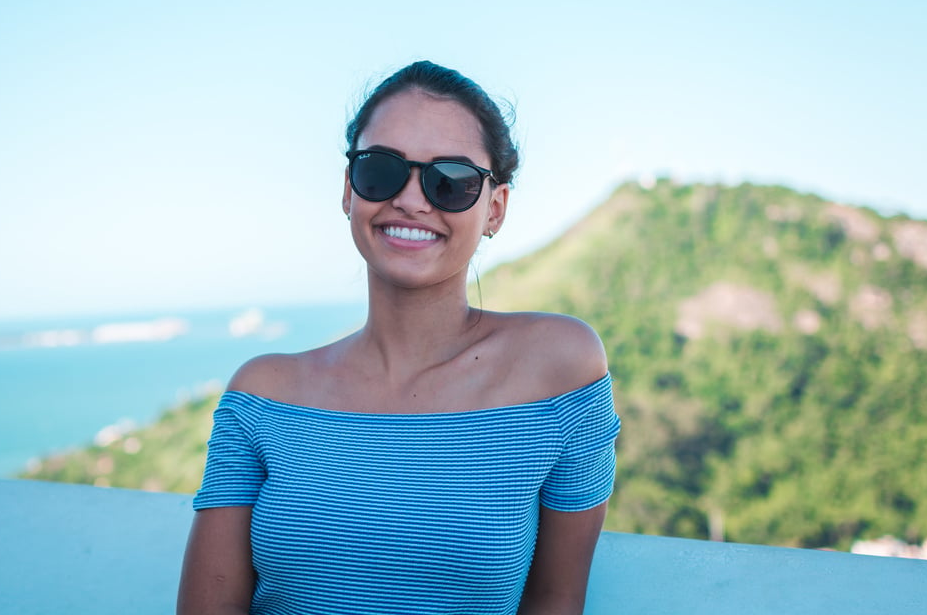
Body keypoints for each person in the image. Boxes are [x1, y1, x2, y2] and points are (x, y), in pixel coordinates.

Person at [177, 61, 620, 615]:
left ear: (495, 209)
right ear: (348, 191)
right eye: (381, 170)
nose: (412, 199)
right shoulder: (263, 395)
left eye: (451, 180)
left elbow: (555, 600)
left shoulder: (559, 370)